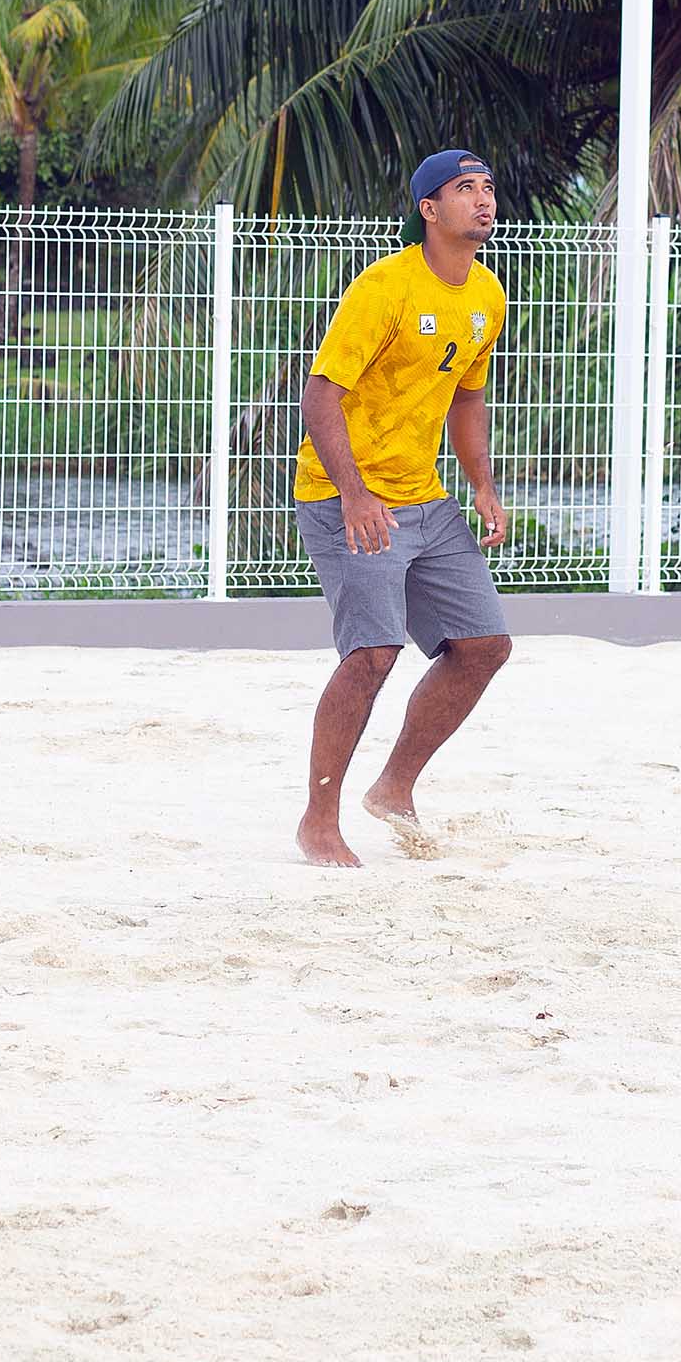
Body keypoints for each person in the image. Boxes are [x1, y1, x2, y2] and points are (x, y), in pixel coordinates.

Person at [292, 149, 513, 866]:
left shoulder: (488, 296)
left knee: (484, 646)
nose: (482, 199)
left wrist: (480, 483)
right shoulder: (383, 287)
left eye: (486, 187)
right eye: (463, 188)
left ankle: (394, 786)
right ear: (429, 209)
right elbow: (320, 394)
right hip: (344, 493)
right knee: (373, 653)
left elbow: (469, 397)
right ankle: (318, 819)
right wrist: (354, 494)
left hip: (425, 495)